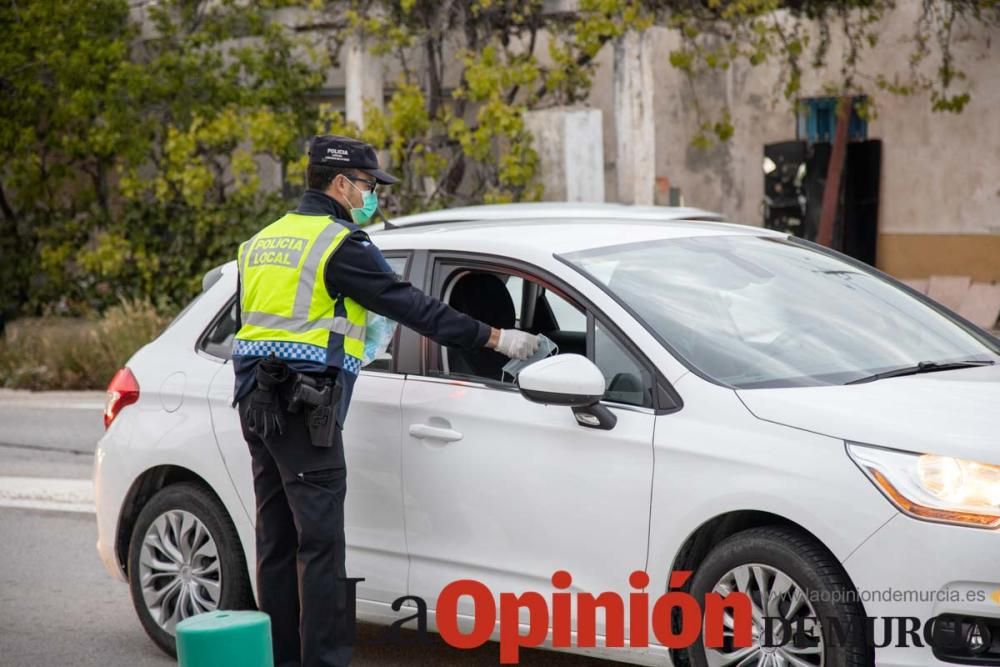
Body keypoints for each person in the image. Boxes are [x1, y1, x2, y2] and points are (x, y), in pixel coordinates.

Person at [230, 134, 539, 667]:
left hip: (257, 405)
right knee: (322, 550)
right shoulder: (339, 244)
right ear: (341, 183)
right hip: (306, 413)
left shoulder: (263, 241)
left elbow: (259, 323)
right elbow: (412, 306)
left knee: (276, 544)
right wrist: (495, 339)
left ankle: (280, 658)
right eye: (369, 185)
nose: (372, 196)